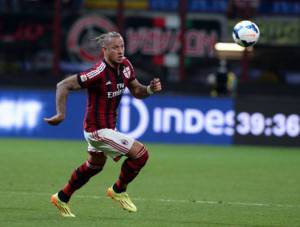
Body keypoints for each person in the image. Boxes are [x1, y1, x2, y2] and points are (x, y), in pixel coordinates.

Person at [44, 31, 162, 217]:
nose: (120, 51)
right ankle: (118, 190)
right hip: (97, 130)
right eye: (115, 47)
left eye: (122, 46)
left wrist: (149, 89)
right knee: (141, 154)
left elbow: (137, 91)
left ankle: (62, 197)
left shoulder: (125, 66)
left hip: (108, 128)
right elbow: (63, 85)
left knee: (95, 166)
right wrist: (60, 113)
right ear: (104, 50)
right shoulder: (97, 72)